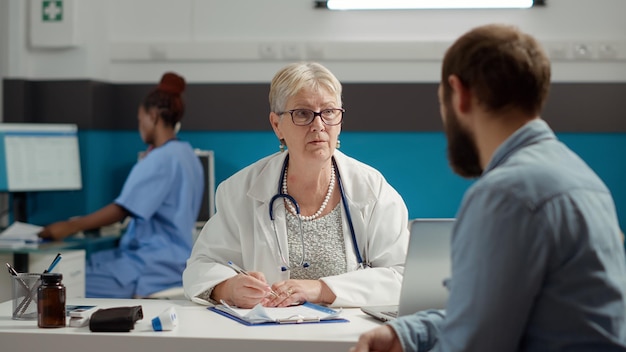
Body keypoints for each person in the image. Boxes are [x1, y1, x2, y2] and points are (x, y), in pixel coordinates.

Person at [352, 24, 626, 351]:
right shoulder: (582, 178)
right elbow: (491, 313)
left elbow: (473, 345)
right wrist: (408, 333)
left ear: (460, 93)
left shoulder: (507, 194)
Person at [183, 62, 409, 309]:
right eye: (302, 113)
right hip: (269, 338)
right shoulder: (240, 191)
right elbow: (199, 267)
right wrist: (227, 288)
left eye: (329, 112)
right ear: (277, 125)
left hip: (347, 339)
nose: (319, 125)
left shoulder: (371, 189)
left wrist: (321, 289)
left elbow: (403, 275)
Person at [38, 72, 205, 299]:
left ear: (153, 116)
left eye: (140, 120)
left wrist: (70, 226)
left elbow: (122, 209)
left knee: (59, 284)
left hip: (149, 268)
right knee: (94, 263)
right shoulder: (188, 154)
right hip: (174, 263)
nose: (140, 127)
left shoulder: (160, 159)